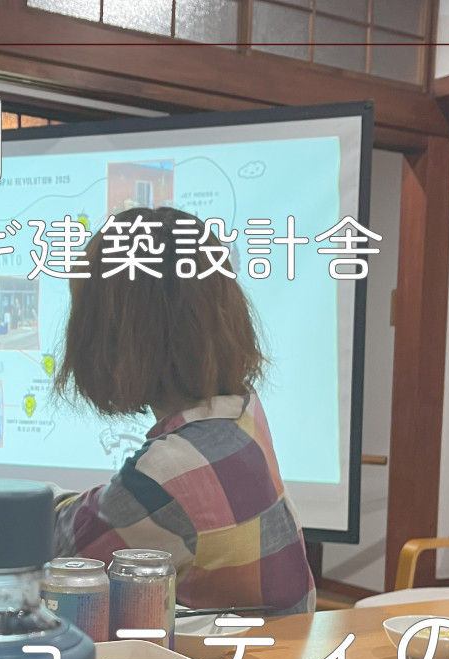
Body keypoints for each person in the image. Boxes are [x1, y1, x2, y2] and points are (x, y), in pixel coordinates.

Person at [51, 207, 316, 615]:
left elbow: (67, 553)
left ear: (111, 335)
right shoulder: (241, 412)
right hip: (279, 644)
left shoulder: (168, 470)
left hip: (225, 654)